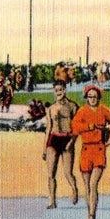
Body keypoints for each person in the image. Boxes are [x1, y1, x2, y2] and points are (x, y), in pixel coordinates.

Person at [70, 85, 110, 219]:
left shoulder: (103, 111)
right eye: (90, 97)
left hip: (98, 149)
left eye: (95, 97)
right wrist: (88, 127)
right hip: (86, 150)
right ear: (86, 97)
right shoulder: (82, 112)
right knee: (87, 187)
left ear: (98, 98)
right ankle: (89, 213)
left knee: (93, 183)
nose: (92, 99)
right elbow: (75, 127)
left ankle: (92, 216)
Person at [42, 81, 79, 209]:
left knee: (68, 172)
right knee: (51, 174)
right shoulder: (51, 108)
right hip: (54, 139)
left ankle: (74, 189)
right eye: (56, 90)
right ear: (54, 91)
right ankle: (52, 200)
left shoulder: (73, 106)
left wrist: (72, 142)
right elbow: (48, 128)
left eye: (61, 89)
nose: (59, 92)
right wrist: (44, 148)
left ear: (65, 90)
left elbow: (77, 128)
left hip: (67, 139)